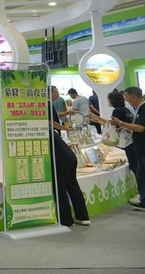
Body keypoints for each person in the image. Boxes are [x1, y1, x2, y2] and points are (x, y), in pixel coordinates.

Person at [49, 86, 90, 226]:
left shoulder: (46, 131)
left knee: (60, 188)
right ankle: (83, 217)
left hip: (62, 161)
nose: (57, 94)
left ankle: (66, 220)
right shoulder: (52, 132)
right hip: (70, 159)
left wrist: (65, 128)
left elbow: (51, 122)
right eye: (55, 91)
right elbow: (52, 121)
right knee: (72, 186)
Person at [111, 86, 145, 214]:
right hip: (141, 149)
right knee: (142, 175)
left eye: (127, 98)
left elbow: (141, 128)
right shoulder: (139, 109)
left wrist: (121, 123)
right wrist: (127, 127)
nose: (127, 101)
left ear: (134, 97)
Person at [89, 90, 137, 175]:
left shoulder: (117, 111)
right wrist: (98, 119)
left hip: (123, 140)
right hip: (129, 139)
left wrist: (98, 119)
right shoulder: (125, 110)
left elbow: (113, 125)